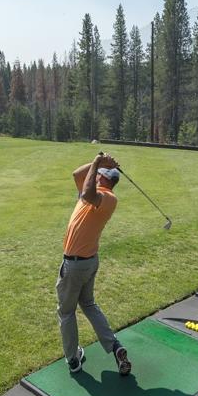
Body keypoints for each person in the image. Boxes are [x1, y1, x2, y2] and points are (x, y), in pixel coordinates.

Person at [56, 152, 132, 376]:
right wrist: (98, 162)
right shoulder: (92, 190)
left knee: (66, 312)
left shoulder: (107, 198)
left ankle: (72, 359)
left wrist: (99, 164)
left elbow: (89, 192)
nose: (95, 176)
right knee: (88, 304)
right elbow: (76, 174)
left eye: (99, 174)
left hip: (76, 265)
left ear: (104, 178)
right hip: (88, 262)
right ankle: (115, 347)